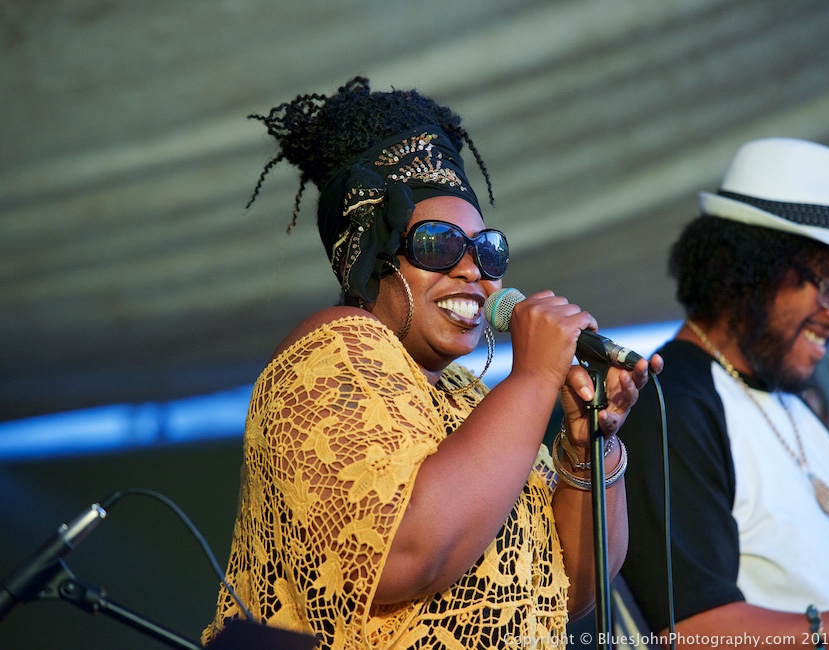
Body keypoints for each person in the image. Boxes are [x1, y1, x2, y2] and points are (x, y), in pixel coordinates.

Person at [201, 77, 660, 649]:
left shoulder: (473, 400)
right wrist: (536, 376)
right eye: (439, 245)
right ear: (371, 260)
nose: (473, 270)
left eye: (487, 249)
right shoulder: (330, 349)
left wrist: (590, 441)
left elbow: (573, 591)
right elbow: (405, 553)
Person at [620, 137, 829, 649]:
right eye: (827, 286)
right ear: (749, 271)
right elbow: (696, 632)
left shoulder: (788, 400)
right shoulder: (668, 402)